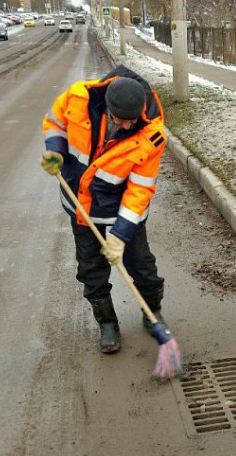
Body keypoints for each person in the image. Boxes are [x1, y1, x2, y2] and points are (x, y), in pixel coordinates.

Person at [41, 65, 167, 354]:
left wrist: (120, 234)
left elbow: (140, 190)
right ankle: (107, 323)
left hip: (122, 207)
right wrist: (56, 150)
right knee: (91, 269)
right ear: (108, 108)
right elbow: (54, 121)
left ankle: (152, 312)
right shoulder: (77, 99)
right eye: (120, 120)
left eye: (131, 121)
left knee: (142, 266)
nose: (125, 126)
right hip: (80, 204)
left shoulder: (151, 136)